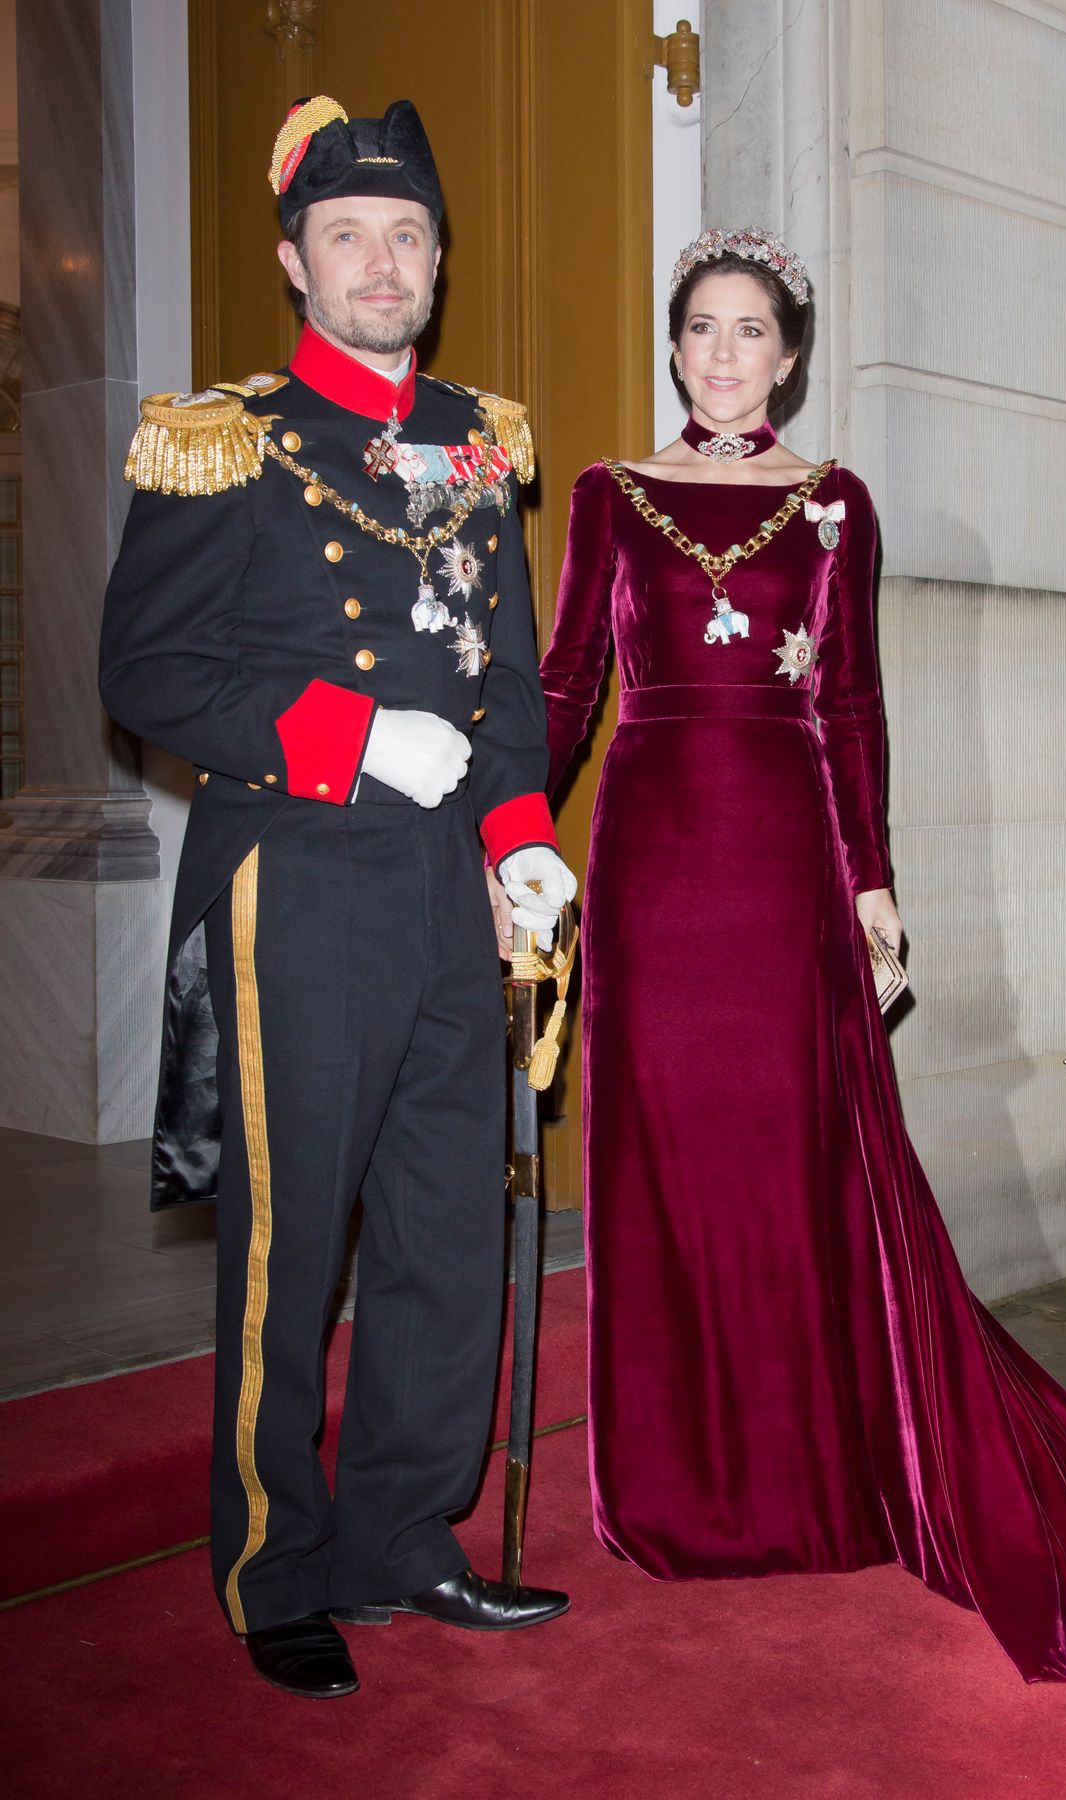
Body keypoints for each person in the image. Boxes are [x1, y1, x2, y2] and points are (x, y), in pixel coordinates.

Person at [533, 225, 1066, 1682]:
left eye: (751, 333)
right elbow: (569, 679)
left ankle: (812, 1475)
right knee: (664, 1163)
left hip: (784, 872)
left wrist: (874, 883)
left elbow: (851, 708)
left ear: (788, 355)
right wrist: (505, 831)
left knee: (786, 1165)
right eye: (702, 329)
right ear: (676, 345)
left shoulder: (837, 506)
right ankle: (673, 1489)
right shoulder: (610, 496)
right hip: (651, 869)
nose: (724, 355)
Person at [99, 96, 577, 1701]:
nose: (385, 262)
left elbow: (505, 675)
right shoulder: (223, 434)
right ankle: (271, 1562)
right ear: (298, 261)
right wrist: (351, 733)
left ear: (438, 268)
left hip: (453, 894)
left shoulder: (475, 436)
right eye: (352, 236)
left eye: (411, 238)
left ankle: (401, 1535)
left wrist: (522, 833)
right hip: (294, 882)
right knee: (291, 1245)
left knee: (449, 1231)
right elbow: (148, 667)